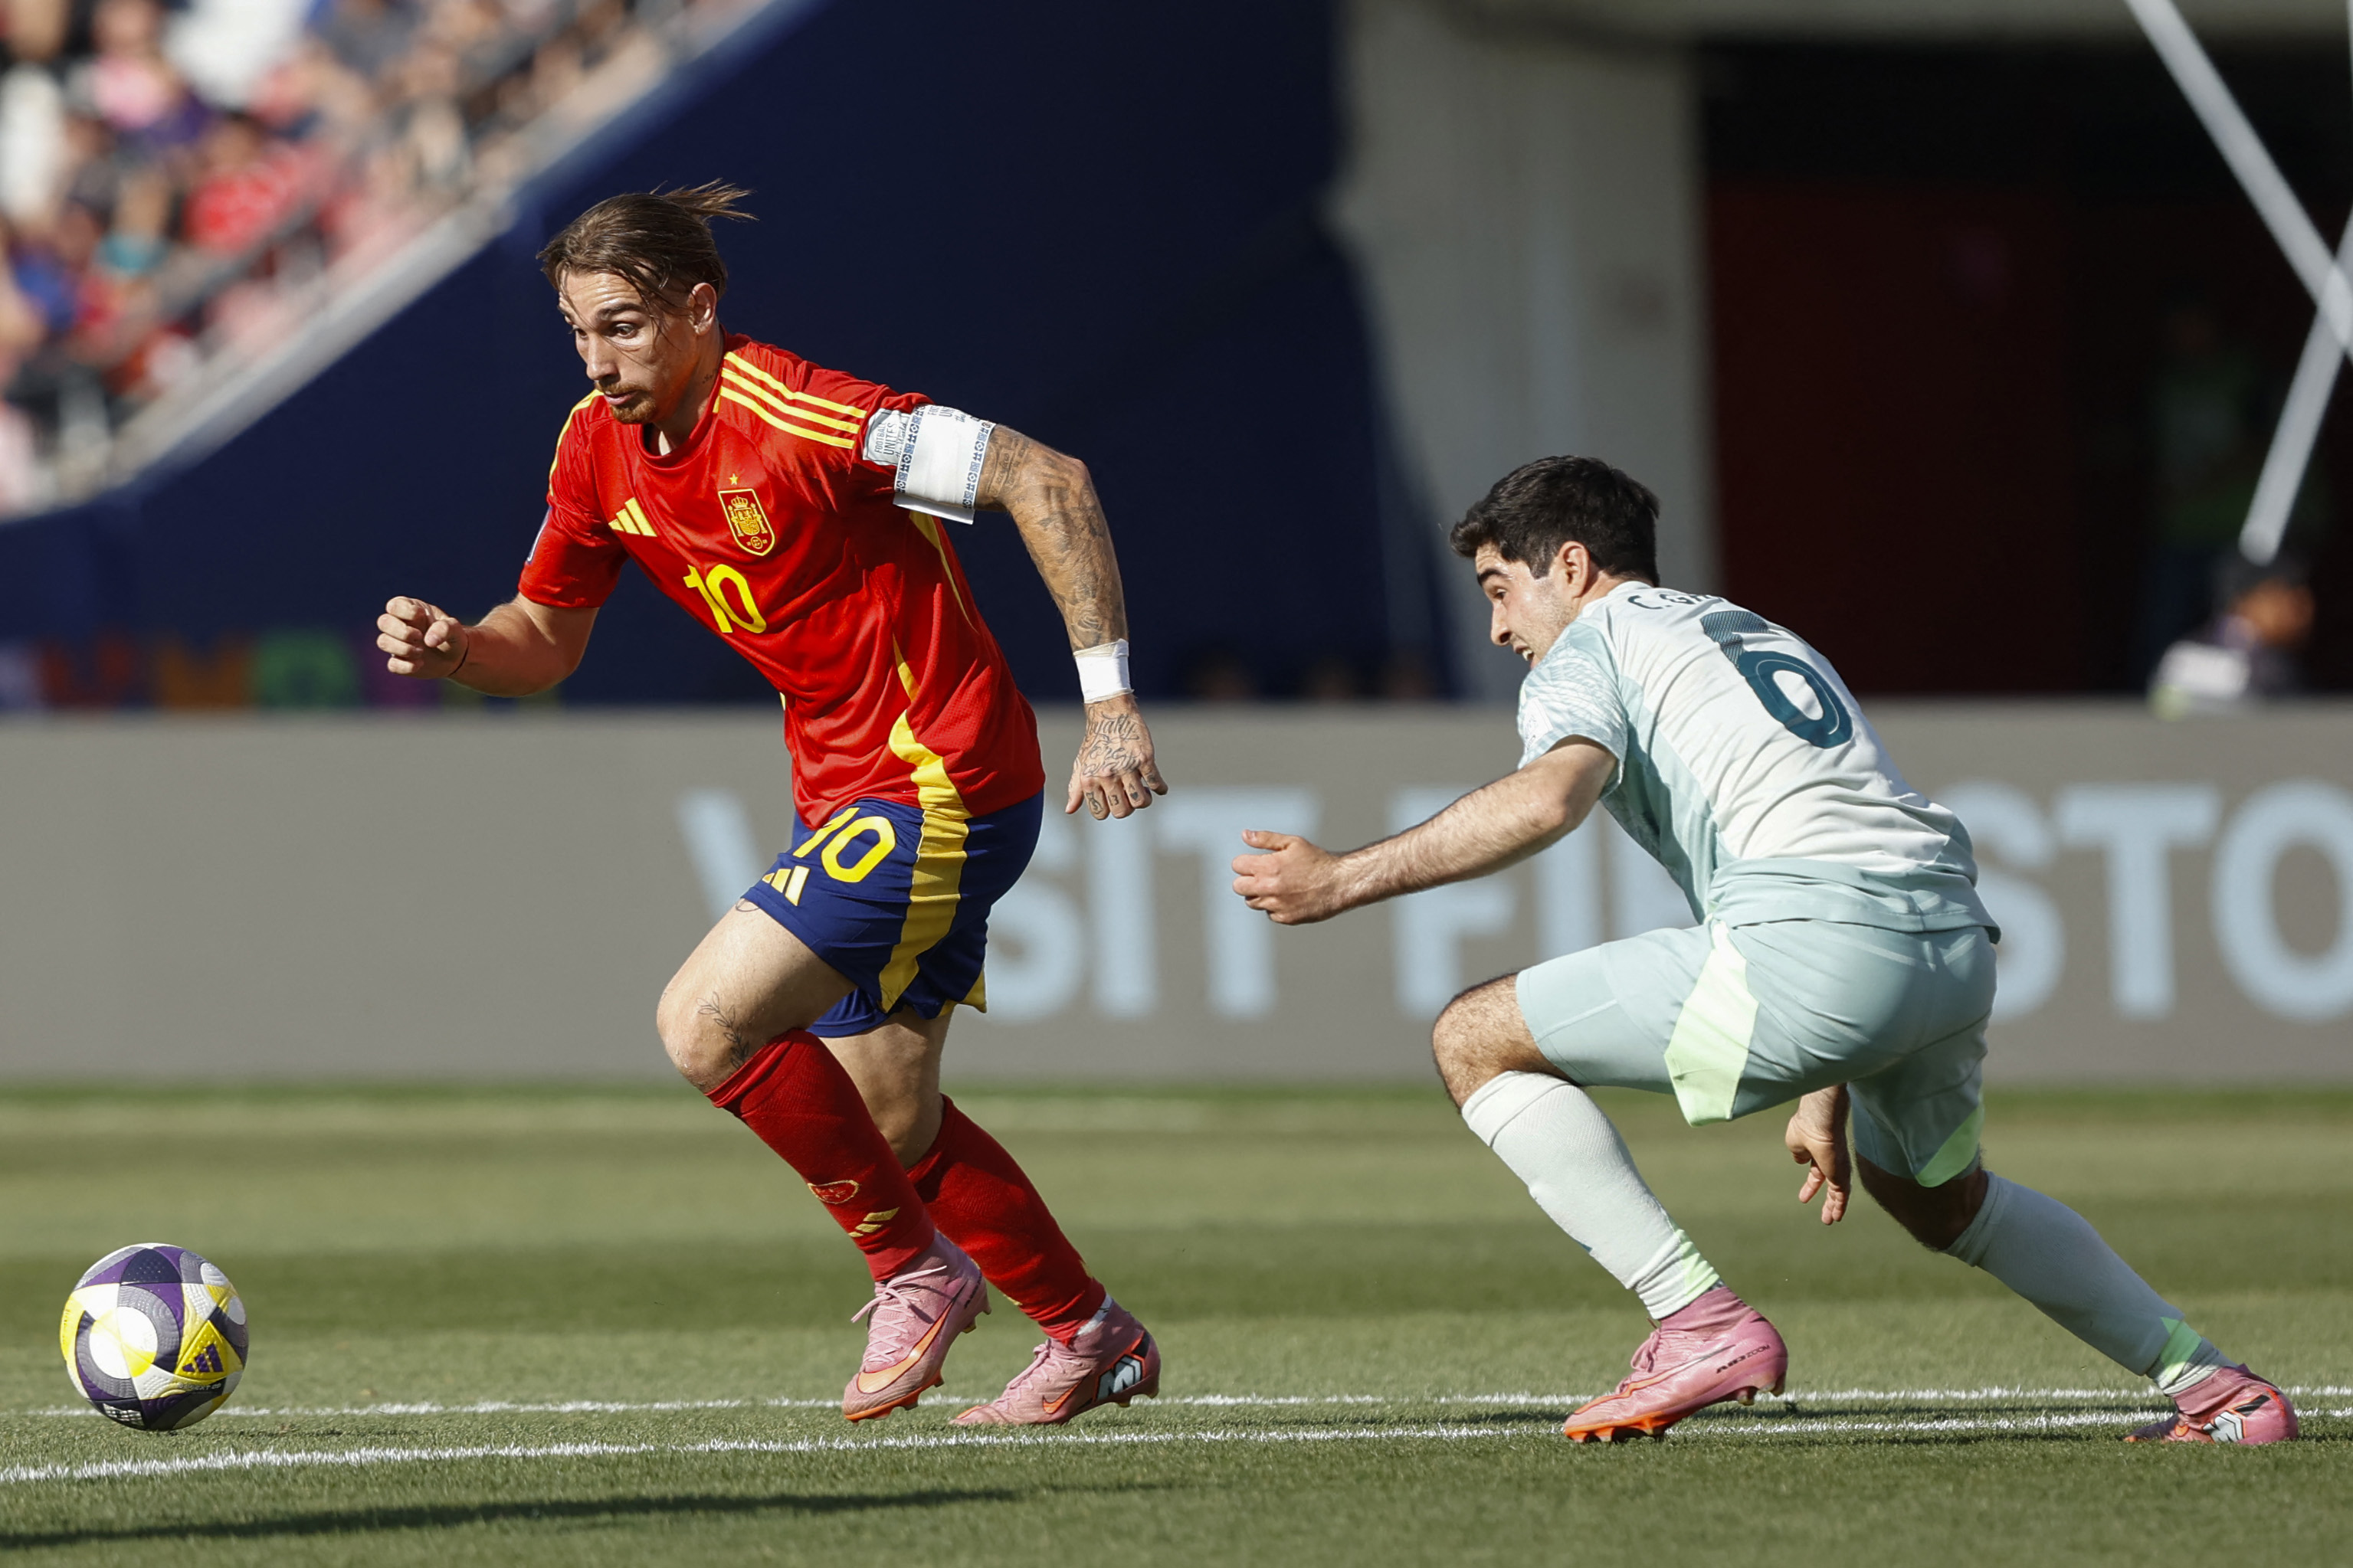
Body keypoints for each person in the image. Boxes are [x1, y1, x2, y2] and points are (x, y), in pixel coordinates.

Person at [1231, 455, 2297, 1445]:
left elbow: (1547, 796)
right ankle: (2216, 1387)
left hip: (1821, 939)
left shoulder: (1590, 646)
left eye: (1498, 586)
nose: (1501, 624)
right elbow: (1829, 821)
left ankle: (1693, 1319)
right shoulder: (1747, 628)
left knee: (1473, 1036)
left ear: (1569, 564)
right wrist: (1829, 1079)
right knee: (1940, 1197)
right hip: (1947, 939)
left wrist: (1341, 877)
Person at [378, 184, 1168, 1426]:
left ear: (700, 307)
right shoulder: (595, 445)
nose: (600, 359)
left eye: (626, 326)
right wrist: (460, 648)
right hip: (850, 790)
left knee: (704, 1022)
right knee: (883, 1115)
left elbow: (1044, 475)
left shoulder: (806, 413)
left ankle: (911, 1268)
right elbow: (547, 638)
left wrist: (1111, 707)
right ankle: (1088, 1333)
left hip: (937, 777)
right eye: (582, 331)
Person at [2148, 551, 2316, 718]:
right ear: (2245, 599)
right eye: (2289, 597)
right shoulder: (2269, 670)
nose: (2304, 611)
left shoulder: (2180, 652)